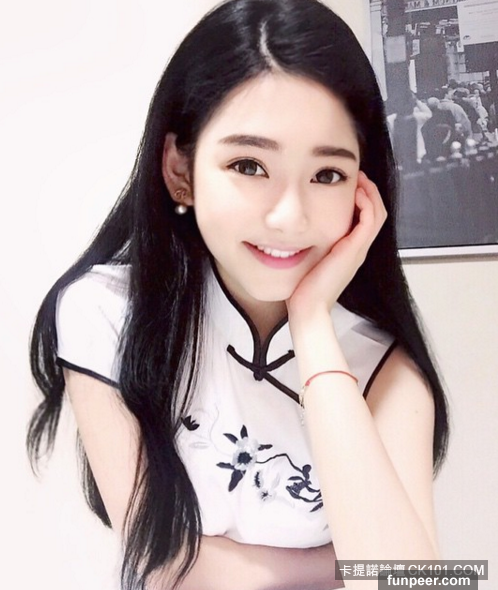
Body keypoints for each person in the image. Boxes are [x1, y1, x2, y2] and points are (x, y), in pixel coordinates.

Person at [26, 1, 449, 589]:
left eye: (326, 174)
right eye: (249, 165)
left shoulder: (385, 365)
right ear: (180, 170)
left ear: (362, 188)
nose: (288, 216)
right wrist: (331, 566)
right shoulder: (104, 315)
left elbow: (409, 581)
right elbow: (160, 562)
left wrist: (312, 325)